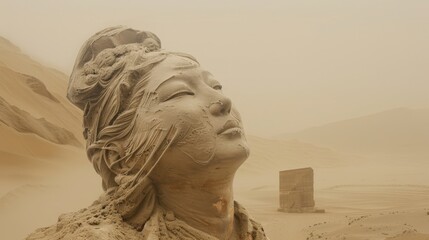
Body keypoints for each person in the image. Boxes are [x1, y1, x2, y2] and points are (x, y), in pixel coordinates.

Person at [26, 26, 268, 240]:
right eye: (180, 92)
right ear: (117, 157)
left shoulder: (249, 230)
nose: (222, 100)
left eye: (215, 86)